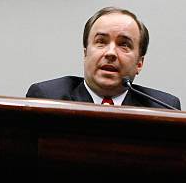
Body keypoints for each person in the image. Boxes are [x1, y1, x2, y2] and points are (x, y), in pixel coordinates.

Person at [27, 6, 181, 109]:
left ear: (139, 63)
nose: (111, 53)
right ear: (85, 53)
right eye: (101, 42)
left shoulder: (162, 107)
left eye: (124, 45)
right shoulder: (48, 98)